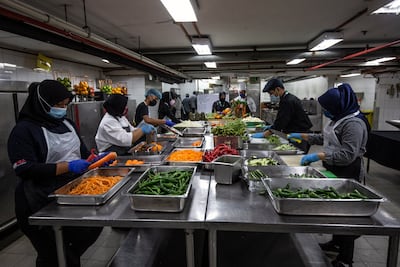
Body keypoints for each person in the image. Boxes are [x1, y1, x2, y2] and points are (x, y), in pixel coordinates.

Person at [7, 80, 105, 266]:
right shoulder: (24, 130)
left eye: (65, 105)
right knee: (57, 255)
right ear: (42, 103)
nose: (62, 109)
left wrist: (96, 158)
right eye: (58, 105)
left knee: (71, 248)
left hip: (70, 193)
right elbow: (24, 168)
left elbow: (83, 153)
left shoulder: (67, 123)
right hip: (39, 200)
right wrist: (67, 167)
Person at [287, 83, 370, 267]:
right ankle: (336, 242)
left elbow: (347, 155)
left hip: (348, 171)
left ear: (337, 106)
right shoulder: (340, 118)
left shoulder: (354, 124)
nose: (325, 112)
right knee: (335, 210)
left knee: (347, 214)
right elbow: (326, 139)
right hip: (334, 169)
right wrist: (302, 136)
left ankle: (345, 259)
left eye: (327, 109)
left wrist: (318, 155)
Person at [253, 78, 312, 153]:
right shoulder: (288, 98)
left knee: (296, 157)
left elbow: (282, 121)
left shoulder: (287, 101)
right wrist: (272, 127)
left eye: (271, 93)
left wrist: (266, 134)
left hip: (299, 135)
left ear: (277, 89)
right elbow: (283, 119)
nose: (272, 95)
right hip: (297, 132)